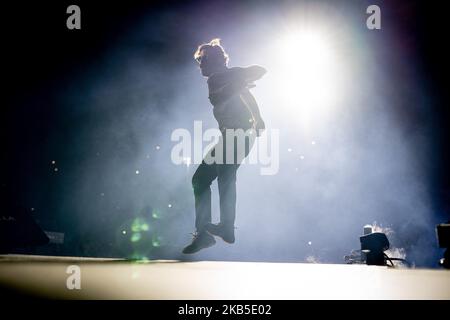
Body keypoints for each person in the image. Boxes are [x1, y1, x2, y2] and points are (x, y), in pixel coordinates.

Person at [182, 38, 267, 254]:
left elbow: (260, 70)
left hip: (239, 134)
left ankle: (226, 227)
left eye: (202, 59)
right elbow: (246, 95)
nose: (200, 64)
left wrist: (238, 79)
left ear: (215, 61)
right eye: (199, 60)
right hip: (231, 135)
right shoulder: (220, 79)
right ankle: (204, 234)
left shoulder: (224, 76)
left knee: (225, 174)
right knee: (201, 179)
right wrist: (258, 118)